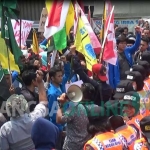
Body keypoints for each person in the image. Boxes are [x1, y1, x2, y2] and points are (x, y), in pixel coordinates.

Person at [0, 70, 48, 150]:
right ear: (26, 106)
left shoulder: (5, 129)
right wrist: (40, 82)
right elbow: (43, 102)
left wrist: (13, 95)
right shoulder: (34, 118)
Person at [56, 83, 97, 150]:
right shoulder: (96, 108)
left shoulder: (74, 109)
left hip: (71, 147)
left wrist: (61, 104)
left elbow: (59, 119)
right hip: (87, 146)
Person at [47, 55, 70, 149]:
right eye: (59, 76)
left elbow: (68, 74)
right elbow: (52, 113)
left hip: (65, 121)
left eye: (61, 75)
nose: (61, 78)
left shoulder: (60, 85)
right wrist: (60, 129)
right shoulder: (52, 93)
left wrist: (66, 63)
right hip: (58, 126)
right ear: (52, 78)